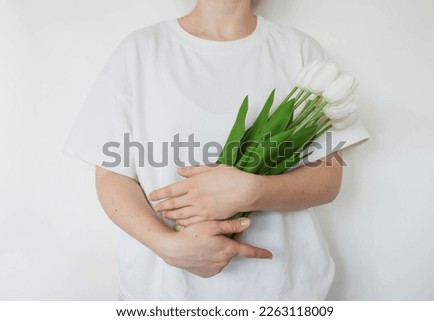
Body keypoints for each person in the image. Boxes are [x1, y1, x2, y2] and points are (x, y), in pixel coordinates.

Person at [64, 0, 369, 300]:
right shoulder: (141, 50)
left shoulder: (298, 49)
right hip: (165, 293)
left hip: (280, 291)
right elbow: (112, 176)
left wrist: (253, 190)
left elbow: (328, 180)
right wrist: (166, 245)